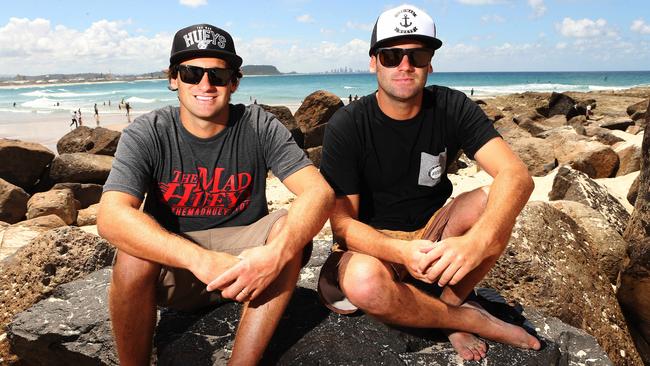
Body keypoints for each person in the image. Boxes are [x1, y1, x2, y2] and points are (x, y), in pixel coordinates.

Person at [97, 23, 334, 365]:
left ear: (234, 82)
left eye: (218, 76)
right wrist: (200, 260)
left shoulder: (257, 124)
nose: (205, 85)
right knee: (132, 255)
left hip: (247, 268)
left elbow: (318, 192)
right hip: (177, 268)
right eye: (192, 73)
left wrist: (274, 254)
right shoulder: (148, 132)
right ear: (173, 78)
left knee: (288, 228)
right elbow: (110, 215)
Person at [317, 4, 541, 362]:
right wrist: (401, 252)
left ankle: (449, 303)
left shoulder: (451, 106)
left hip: (435, 232)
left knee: (493, 200)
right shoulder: (348, 124)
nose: (404, 66)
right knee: (362, 282)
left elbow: (517, 176)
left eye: (417, 55)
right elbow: (343, 226)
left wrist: (479, 240)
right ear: (374, 61)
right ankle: (463, 317)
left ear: (430, 63)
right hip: (374, 245)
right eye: (391, 55)